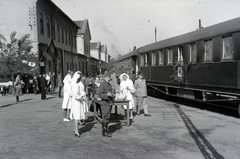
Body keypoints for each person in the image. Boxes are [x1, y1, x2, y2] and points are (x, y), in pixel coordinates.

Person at [97, 72, 115, 137]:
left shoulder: (108, 84)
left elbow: (111, 92)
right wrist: (107, 95)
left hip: (109, 103)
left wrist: (113, 94)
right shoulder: (102, 84)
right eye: (107, 78)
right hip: (105, 103)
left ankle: (106, 129)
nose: (109, 79)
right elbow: (99, 94)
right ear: (104, 78)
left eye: (109, 78)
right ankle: (104, 131)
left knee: (108, 117)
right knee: (105, 117)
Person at [69, 71, 85, 137]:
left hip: (77, 101)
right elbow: (76, 95)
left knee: (77, 116)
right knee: (77, 116)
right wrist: (81, 97)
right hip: (76, 102)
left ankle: (76, 129)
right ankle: (76, 131)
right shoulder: (75, 85)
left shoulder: (75, 84)